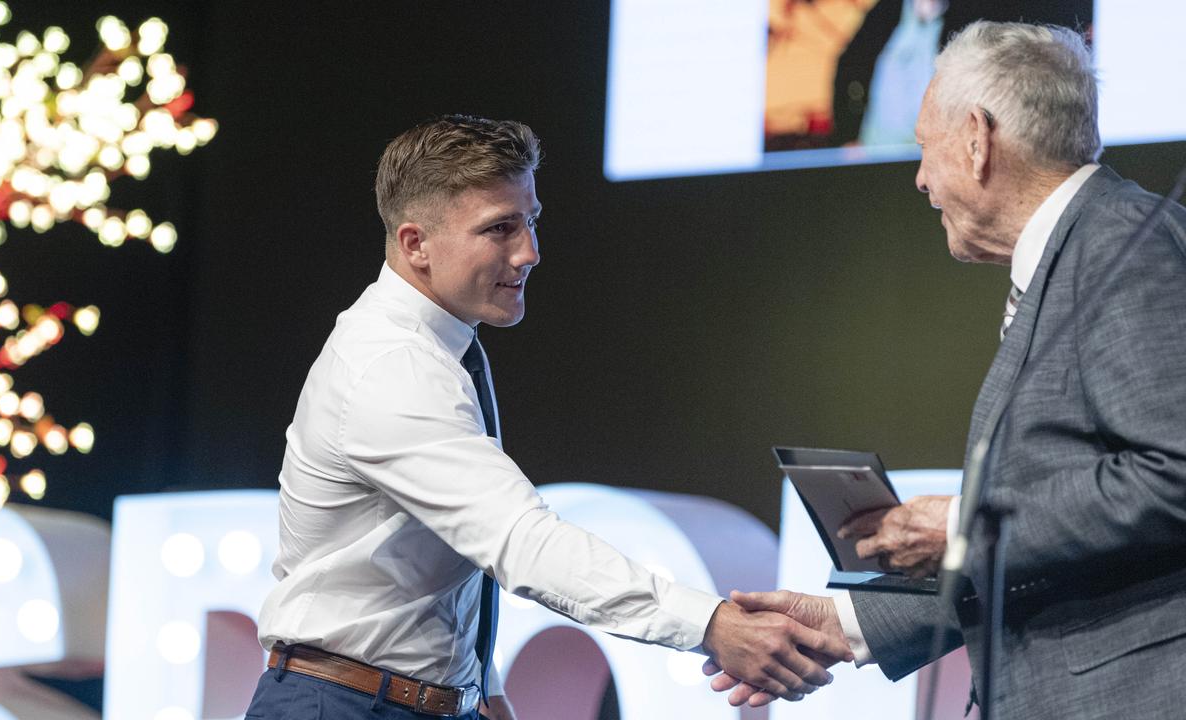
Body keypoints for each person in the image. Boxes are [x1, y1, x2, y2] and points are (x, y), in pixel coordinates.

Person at [244, 115, 853, 720]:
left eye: (530, 220)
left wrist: (483, 689)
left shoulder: (437, 348)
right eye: (500, 228)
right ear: (415, 244)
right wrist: (713, 625)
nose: (530, 251)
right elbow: (522, 543)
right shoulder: (393, 367)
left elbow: (436, 561)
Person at [710, 21, 1186, 717]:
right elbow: (1056, 548)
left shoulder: (1120, 243)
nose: (920, 177)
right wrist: (843, 622)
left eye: (924, 146)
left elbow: (1174, 472)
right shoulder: (1076, 254)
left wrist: (964, 529)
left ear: (976, 138)